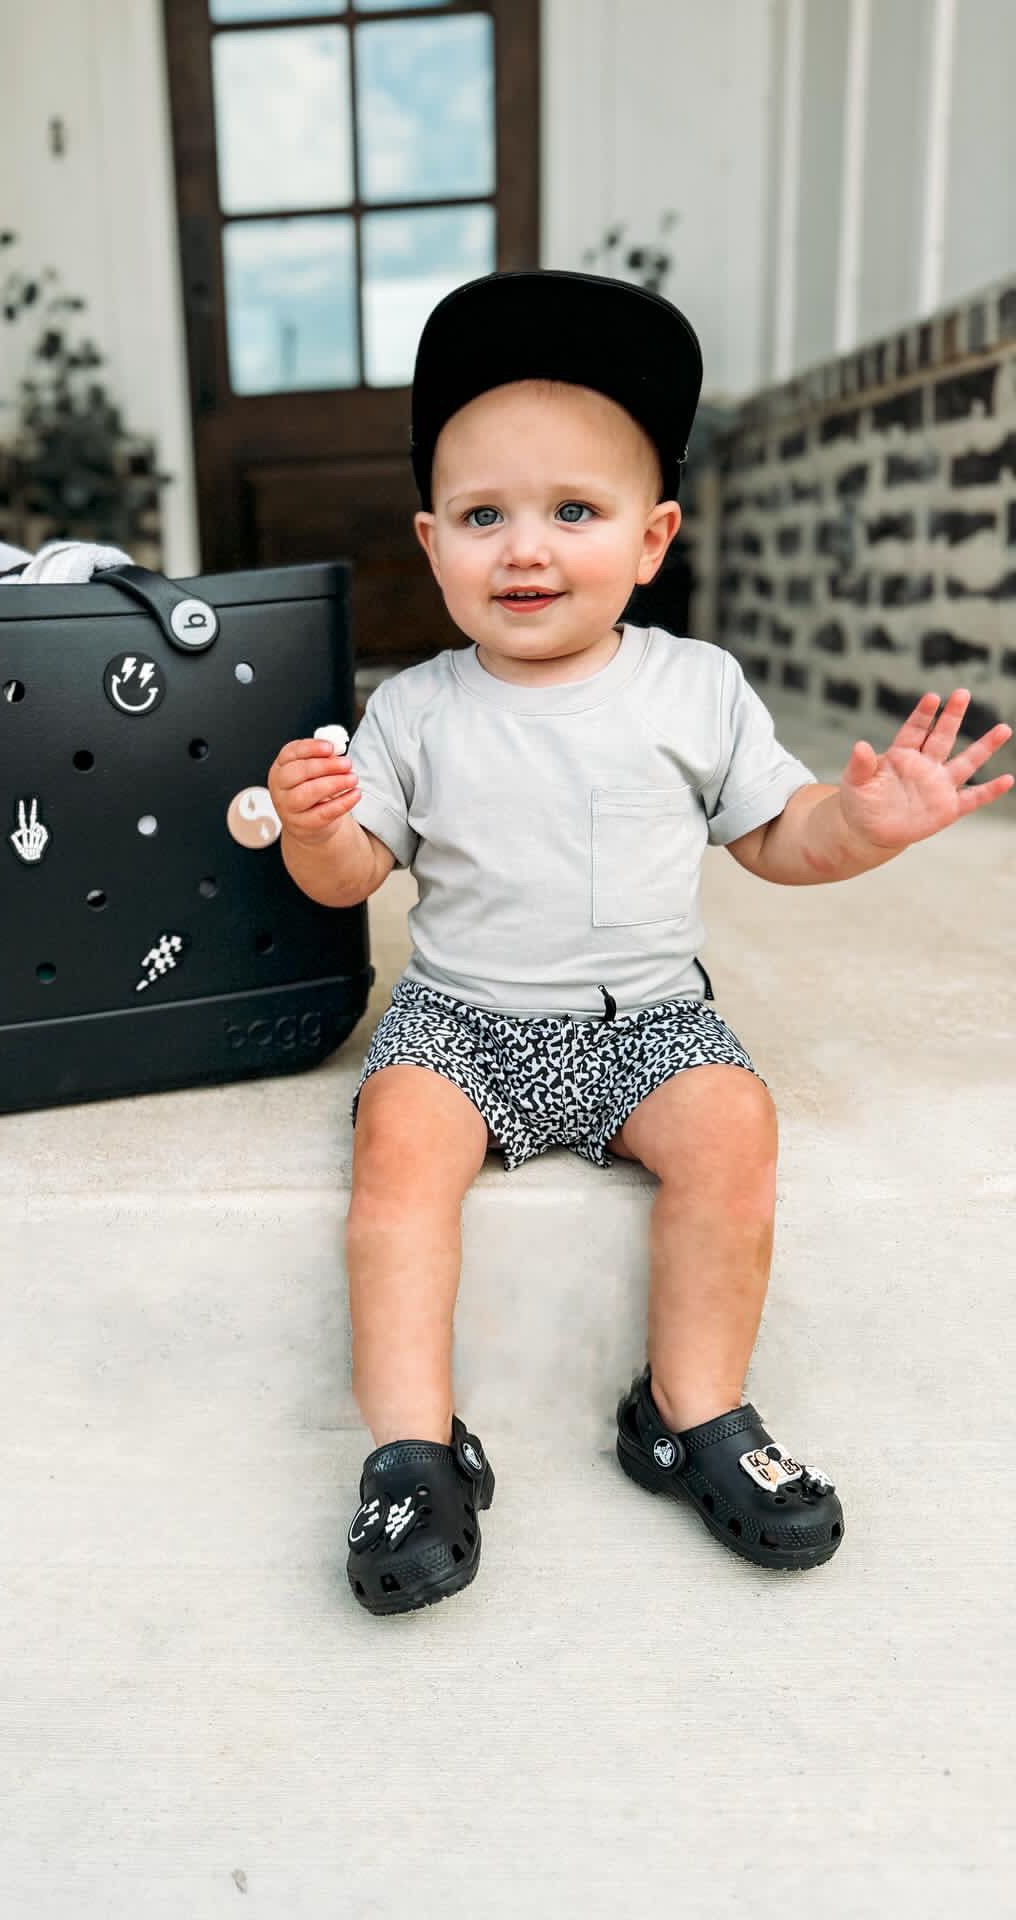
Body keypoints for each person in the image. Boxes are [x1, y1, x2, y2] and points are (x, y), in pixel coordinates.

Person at [268, 268, 1013, 1617]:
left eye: (574, 512)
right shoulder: (415, 708)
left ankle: (690, 1409)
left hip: (649, 1020)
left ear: (653, 539)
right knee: (396, 1161)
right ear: (431, 544)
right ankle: (413, 1450)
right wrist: (316, 830)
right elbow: (350, 876)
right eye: (484, 517)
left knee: (733, 1129)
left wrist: (866, 823)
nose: (526, 550)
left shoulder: (696, 686)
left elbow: (780, 836)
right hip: (460, 1020)